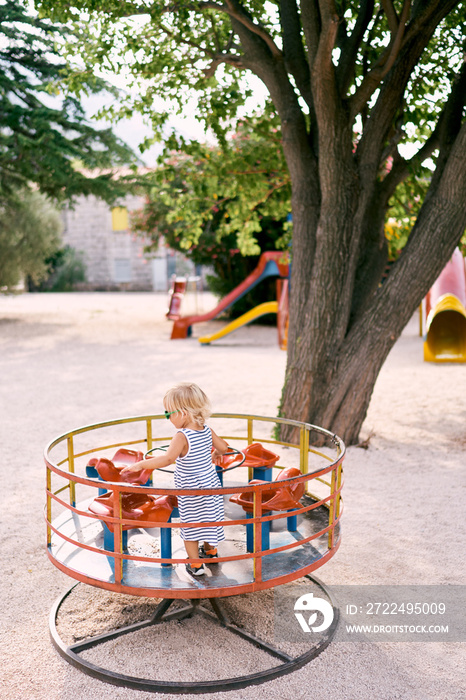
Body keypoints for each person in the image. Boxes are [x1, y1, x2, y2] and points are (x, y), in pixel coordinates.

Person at [121, 382, 229, 576]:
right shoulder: (206, 430)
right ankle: (211, 552)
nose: (168, 418)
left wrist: (140, 465)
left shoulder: (181, 435)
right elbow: (224, 448)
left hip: (191, 489)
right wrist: (215, 455)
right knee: (209, 519)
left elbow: (167, 459)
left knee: (191, 524)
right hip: (210, 486)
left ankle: (195, 565)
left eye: (169, 413)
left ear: (183, 413)